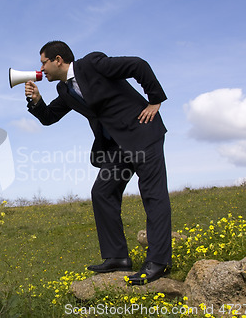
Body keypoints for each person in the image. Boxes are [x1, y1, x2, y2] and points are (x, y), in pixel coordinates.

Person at [25, 40, 172, 285]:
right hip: (117, 148)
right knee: (102, 193)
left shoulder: (93, 64)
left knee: (153, 195)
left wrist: (155, 100)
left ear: (58, 60)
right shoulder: (65, 90)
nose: (42, 68)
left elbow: (138, 65)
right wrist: (37, 100)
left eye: (43, 62)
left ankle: (157, 262)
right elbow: (49, 118)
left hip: (143, 133)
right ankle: (117, 257)